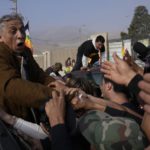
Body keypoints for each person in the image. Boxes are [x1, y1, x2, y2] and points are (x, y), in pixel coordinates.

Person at [0, 13, 69, 120]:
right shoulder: (2, 53)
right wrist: (55, 94)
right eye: (13, 31)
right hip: (8, 121)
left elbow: (40, 76)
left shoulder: (26, 53)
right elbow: (12, 86)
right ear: (1, 37)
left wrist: (57, 85)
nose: (21, 35)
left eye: (22, 30)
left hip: (29, 115)